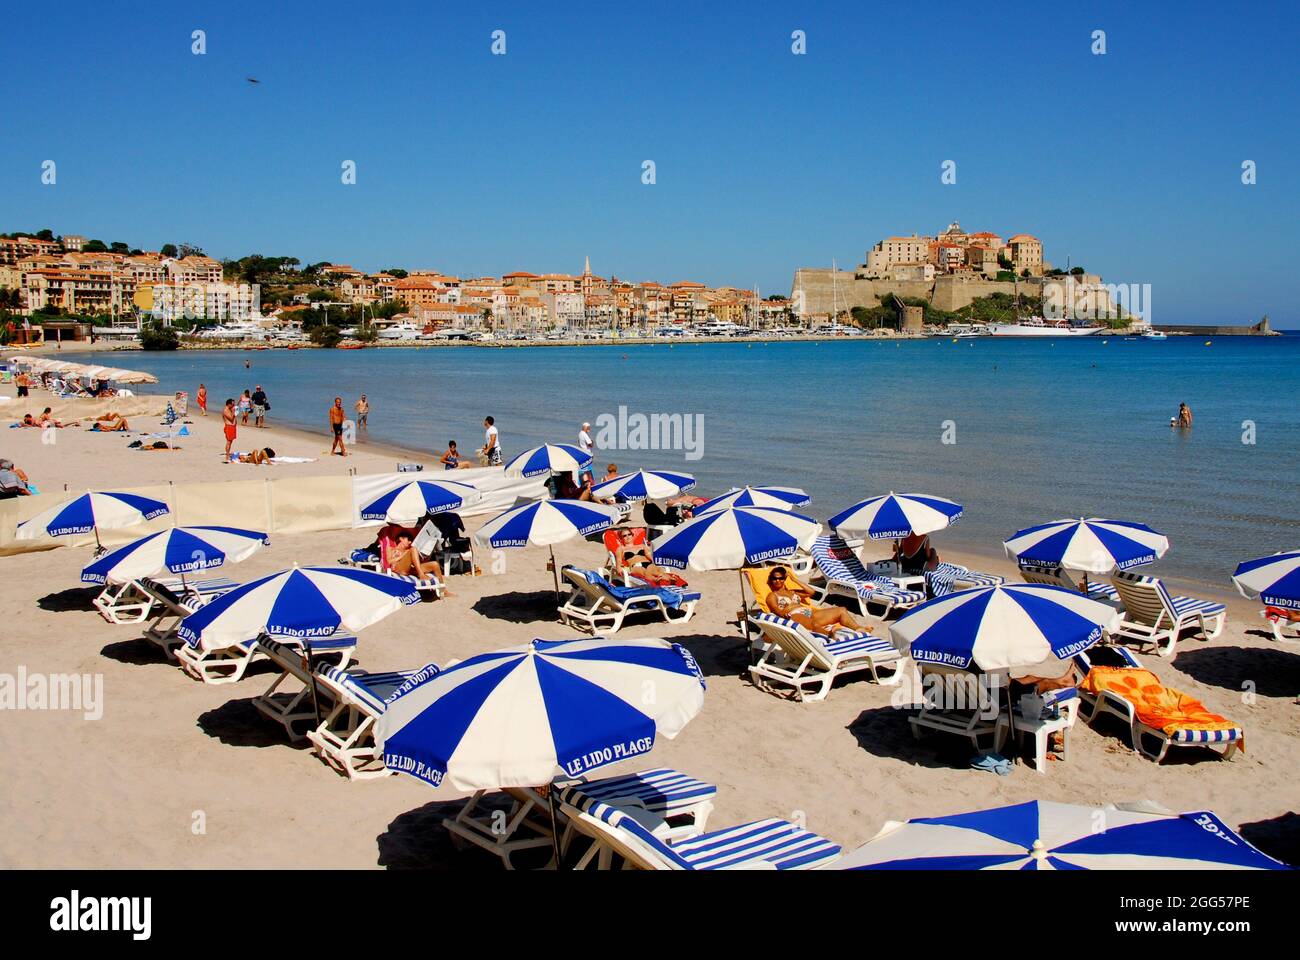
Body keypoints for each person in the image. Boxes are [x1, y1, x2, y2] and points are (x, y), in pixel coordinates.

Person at [764, 566, 866, 635]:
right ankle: (830, 635)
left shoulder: (793, 592)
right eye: (774, 578)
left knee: (841, 610)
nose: (778, 580)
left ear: (784, 579)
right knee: (814, 624)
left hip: (810, 613)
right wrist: (786, 611)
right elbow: (777, 610)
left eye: (781, 578)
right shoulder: (772, 596)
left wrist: (794, 579)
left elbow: (811, 592)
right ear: (771, 580)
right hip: (794, 616)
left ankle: (857, 628)